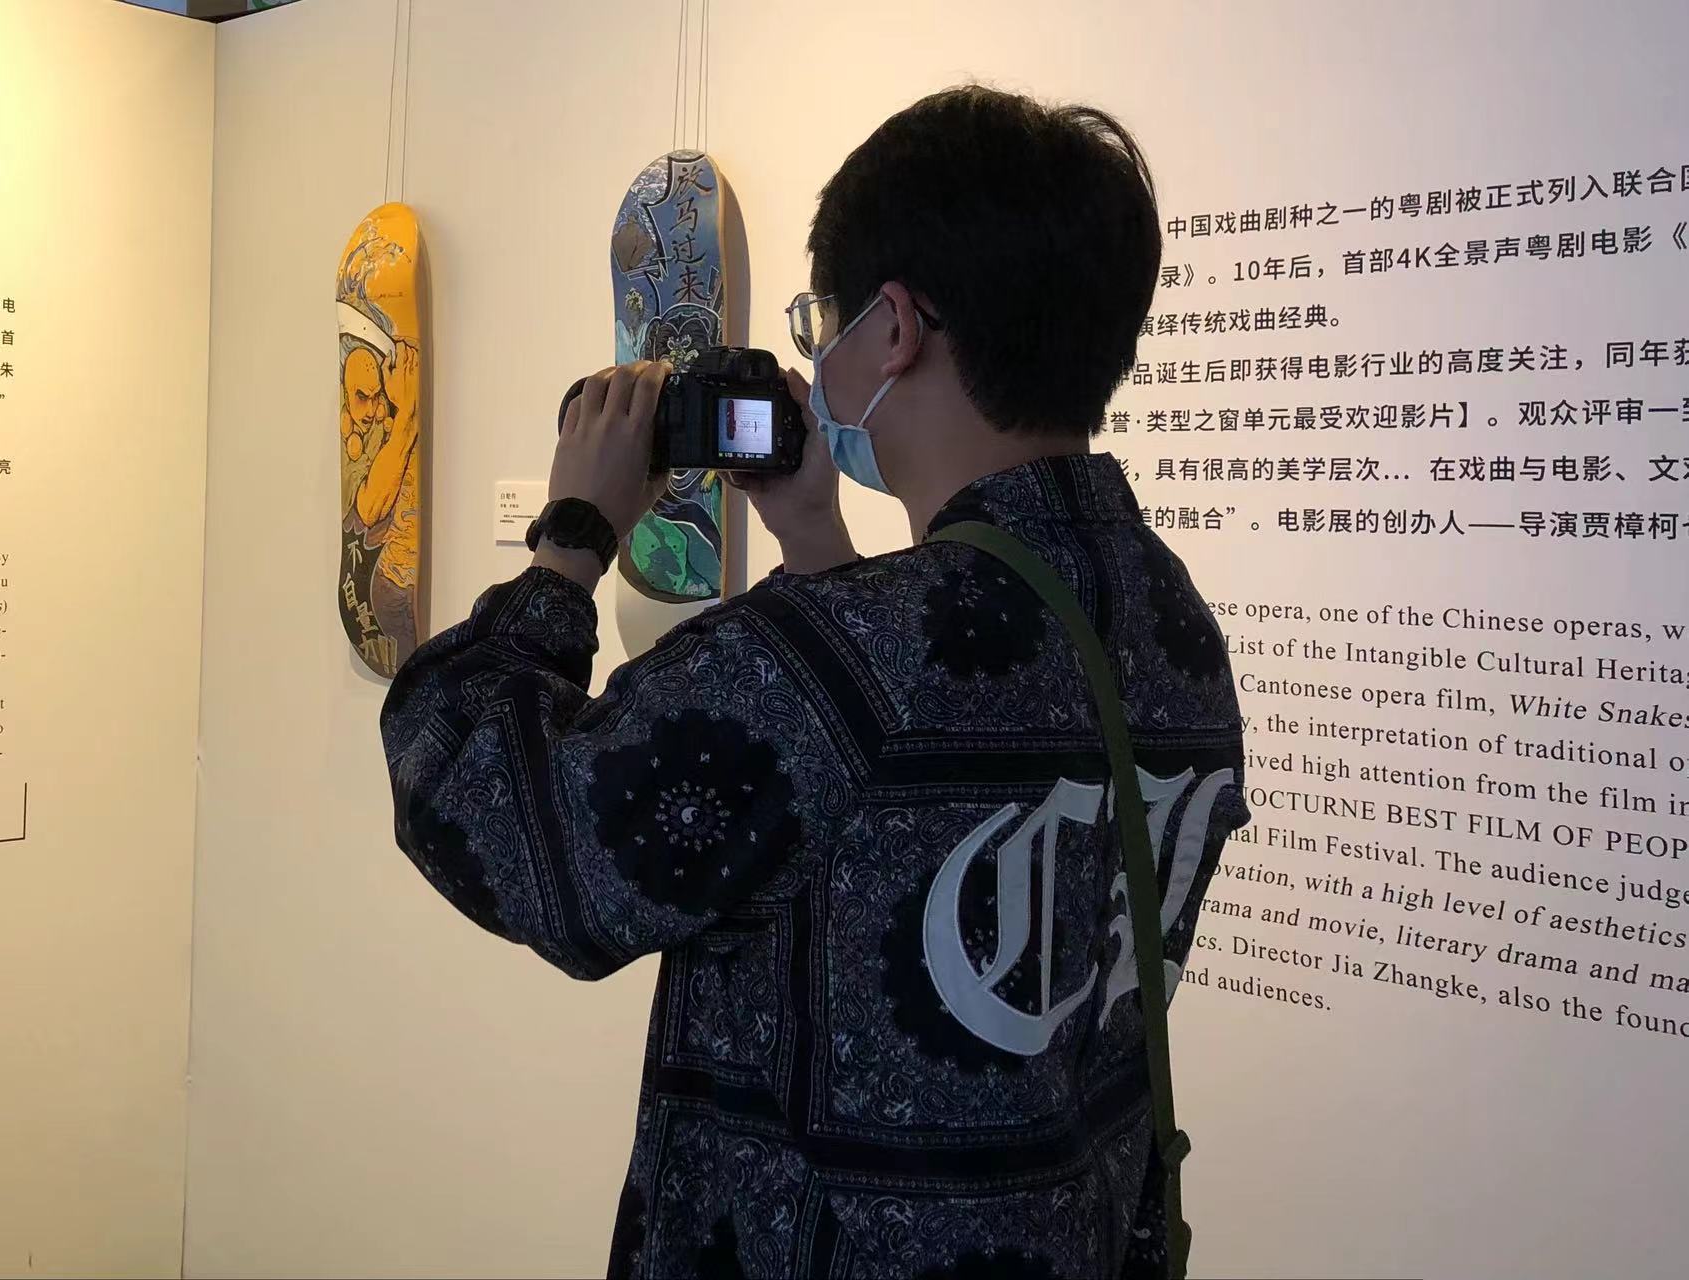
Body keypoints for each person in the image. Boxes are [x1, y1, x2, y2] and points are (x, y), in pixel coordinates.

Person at [379, 86, 1249, 1279]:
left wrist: (570, 541)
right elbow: (887, 822)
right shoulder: (1167, 620)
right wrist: (816, 545)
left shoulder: (833, 657)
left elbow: (490, 814)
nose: (818, 354)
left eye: (823, 321)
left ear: (893, 329)